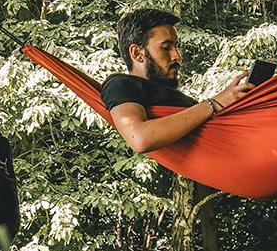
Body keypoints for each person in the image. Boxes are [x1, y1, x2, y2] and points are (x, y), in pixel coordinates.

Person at [101, 8, 253, 154]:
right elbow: (139, 138)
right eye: (166, 48)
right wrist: (214, 104)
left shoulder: (173, 99)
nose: (177, 56)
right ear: (137, 53)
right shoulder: (120, 84)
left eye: (176, 47)